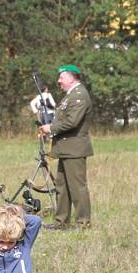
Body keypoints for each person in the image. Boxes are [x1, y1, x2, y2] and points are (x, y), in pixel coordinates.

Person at [38, 64, 93, 229]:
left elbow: (72, 121)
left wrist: (51, 128)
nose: (58, 81)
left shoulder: (79, 95)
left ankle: (83, 223)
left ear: (70, 78)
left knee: (77, 187)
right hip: (66, 148)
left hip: (74, 148)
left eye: (61, 77)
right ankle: (61, 222)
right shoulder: (70, 95)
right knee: (62, 187)